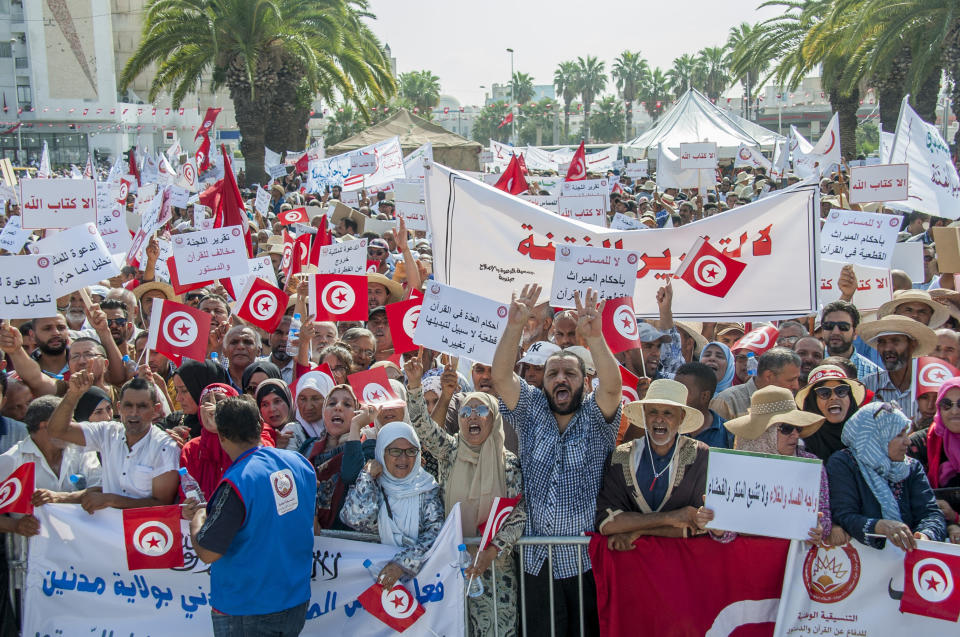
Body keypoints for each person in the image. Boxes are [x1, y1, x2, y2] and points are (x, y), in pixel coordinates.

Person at [493, 285, 622, 637]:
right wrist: (514, 328)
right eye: (553, 374)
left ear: (585, 381)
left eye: (570, 373)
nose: (561, 379)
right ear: (544, 382)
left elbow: (613, 388)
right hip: (537, 562)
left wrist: (595, 339)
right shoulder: (532, 410)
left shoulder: (598, 418)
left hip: (585, 564)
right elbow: (502, 377)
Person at [405, 356, 526, 636]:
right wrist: (413, 386)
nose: (472, 415)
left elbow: (517, 514)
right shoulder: (449, 452)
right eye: (466, 410)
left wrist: (491, 551)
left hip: (495, 569)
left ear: (494, 417)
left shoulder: (507, 462)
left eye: (481, 410)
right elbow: (423, 426)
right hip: (452, 566)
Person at [182, 397, 316, 636]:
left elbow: (207, 551)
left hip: (248, 609)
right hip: (295, 601)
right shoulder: (299, 463)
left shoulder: (238, 481)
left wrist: (198, 520)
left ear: (222, 437)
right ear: (259, 425)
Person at [595, 379, 718, 546]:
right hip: (634, 566)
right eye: (653, 412)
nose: (659, 419)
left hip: (683, 566)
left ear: (681, 417)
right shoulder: (621, 456)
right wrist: (671, 517)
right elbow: (607, 522)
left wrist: (637, 531)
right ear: (645, 415)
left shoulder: (700, 455)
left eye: (668, 413)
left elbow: (696, 525)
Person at [45, 373, 179, 510]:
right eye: (128, 406)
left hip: (143, 530)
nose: (134, 412)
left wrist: (111, 500)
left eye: (142, 406)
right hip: (106, 529)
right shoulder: (107, 432)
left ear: (155, 410)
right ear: (119, 408)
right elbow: (57, 431)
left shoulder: (165, 447)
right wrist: (73, 394)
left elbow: (163, 505)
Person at [339, 422, 444, 590]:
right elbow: (356, 519)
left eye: (411, 451)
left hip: (421, 586)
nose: (403, 459)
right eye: (395, 451)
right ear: (381, 452)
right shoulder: (373, 485)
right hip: (372, 583)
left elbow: (435, 534)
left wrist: (401, 564)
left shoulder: (427, 488)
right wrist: (367, 477)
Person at [827, 403, 946, 549]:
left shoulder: (911, 467)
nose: (908, 441)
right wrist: (880, 526)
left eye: (906, 433)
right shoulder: (844, 464)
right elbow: (844, 516)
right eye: (899, 434)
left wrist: (924, 535)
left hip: (906, 562)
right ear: (877, 437)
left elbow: (931, 514)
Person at [724, 386, 833, 544]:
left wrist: (819, 528)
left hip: (792, 561)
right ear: (764, 433)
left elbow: (824, 516)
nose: (795, 434)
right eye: (786, 428)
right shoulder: (737, 468)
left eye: (798, 427)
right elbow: (727, 531)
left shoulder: (811, 466)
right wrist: (718, 528)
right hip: (748, 558)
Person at [303, 385, 376, 529]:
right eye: (331, 403)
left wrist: (355, 427)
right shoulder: (309, 446)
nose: (338, 408)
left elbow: (350, 476)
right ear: (324, 412)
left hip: (343, 541)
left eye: (347, 404)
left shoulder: (367, 447)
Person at [908, 377, 960, 543]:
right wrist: (947, 521)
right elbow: (909, 495)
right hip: (930, 533)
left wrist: (956, 518)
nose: (954, 411)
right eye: (947, 404)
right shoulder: (918, 443)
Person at [858, 315, 937, 421]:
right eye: (882, 342)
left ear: (913, 345)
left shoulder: (931, 383)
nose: (887, 348)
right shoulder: (868, 385)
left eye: (895, 341)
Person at [797, 365, 865, 462]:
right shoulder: (799, 444)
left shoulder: (867, 436)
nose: (834, 397)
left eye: (841, 391)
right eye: (824, 393)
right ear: (812, 402)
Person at [710, 347, 801, 420]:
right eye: (790, 380)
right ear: (768, 376)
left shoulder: (790, 402)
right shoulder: (727, 401)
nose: (796, 386)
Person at [674, 362, 733, 448]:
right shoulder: (665, 427)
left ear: (704, 396)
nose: (675, 396)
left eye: (683, 391)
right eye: (675, 391)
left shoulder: (728, 435)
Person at [820, 300, 883, 379]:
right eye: (829, 326)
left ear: (855, 332)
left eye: (843, 327)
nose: (835, 332)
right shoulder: (811, 367)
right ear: (822, 331)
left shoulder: (874, 375)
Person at [169, 360, 231, 439]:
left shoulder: (234, 426)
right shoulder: (175, 420)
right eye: (177, 391)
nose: (178, 398)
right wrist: (168, 440)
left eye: (184, 391)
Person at [283, 370, 332, 452]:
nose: (308, 407)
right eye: (303, 399)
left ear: (328, 399)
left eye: (315, 399)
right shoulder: (291, 432)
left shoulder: (339, 427)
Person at [256, 379, 294, 446]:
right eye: (265, 404)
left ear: (288, 402)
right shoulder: (255, 439)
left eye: (277, 401)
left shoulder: (307, 428)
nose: (272, 409)